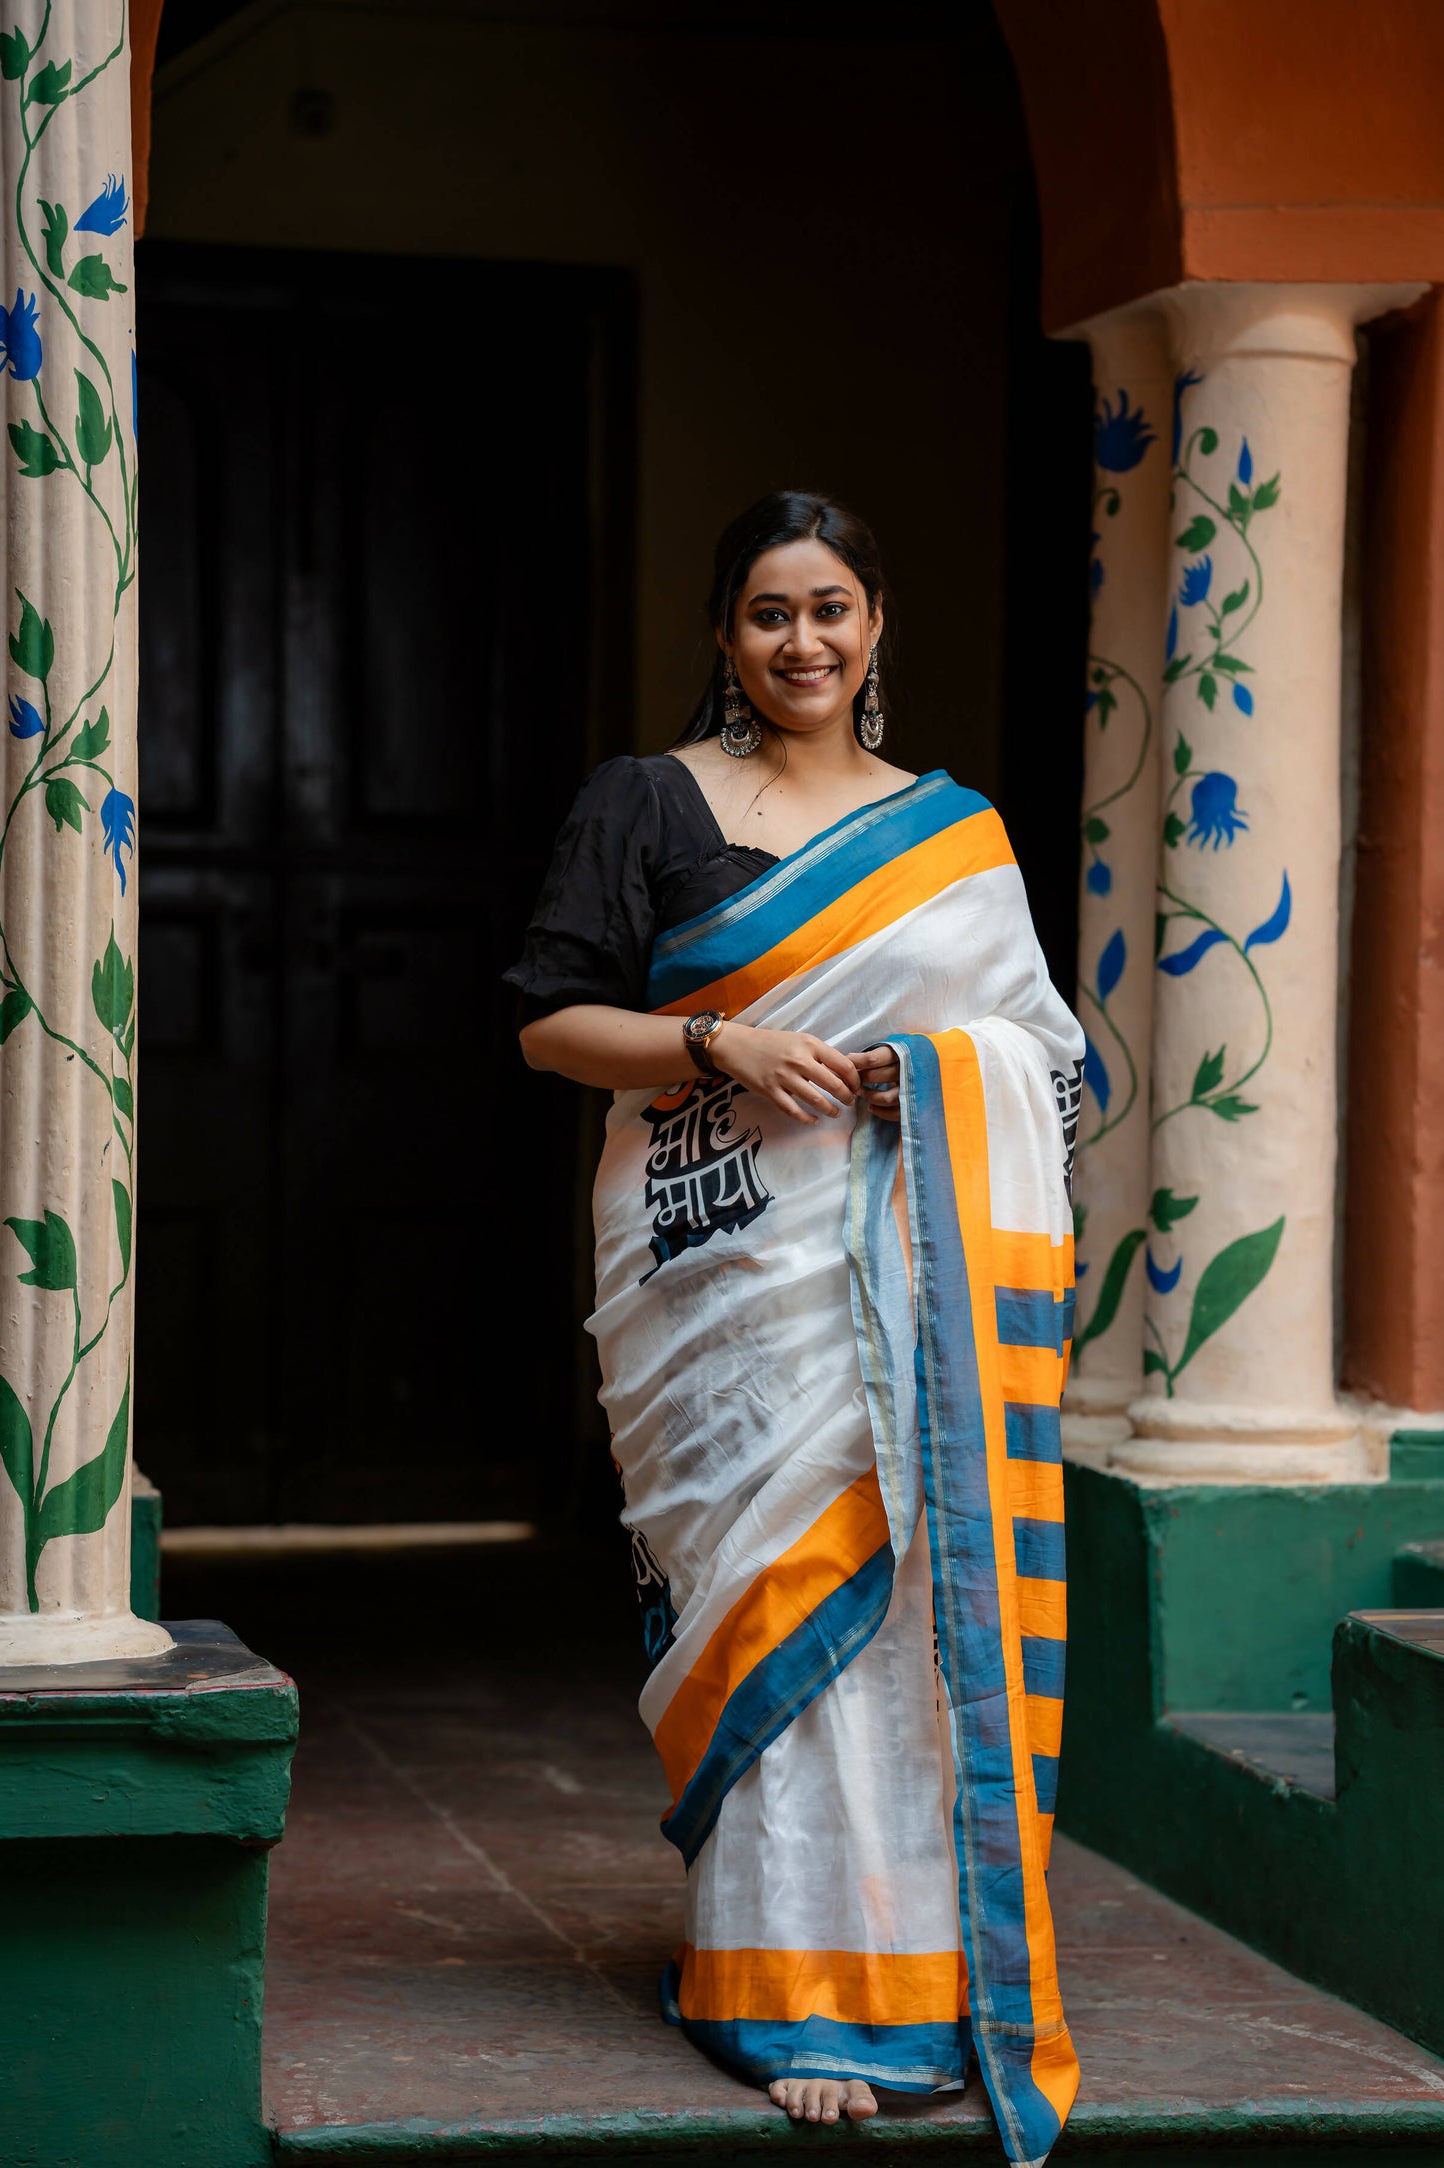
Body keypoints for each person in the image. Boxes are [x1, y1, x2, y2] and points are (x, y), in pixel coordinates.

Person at [506, 492, 1084, 2163]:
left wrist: (934, 1078)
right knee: (778, 1599)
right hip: (721, 1286)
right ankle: (786, 1987)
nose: (803, 642)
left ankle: (914, 1983)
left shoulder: (953, 834)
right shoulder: (651, 802)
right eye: (769, 613)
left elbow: (1042, 1058)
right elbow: (549, 1028)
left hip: (916, 1269)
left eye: (830, 607)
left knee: (908, 1608)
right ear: (723, 634)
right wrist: (720, 1051)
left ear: (876, 620)